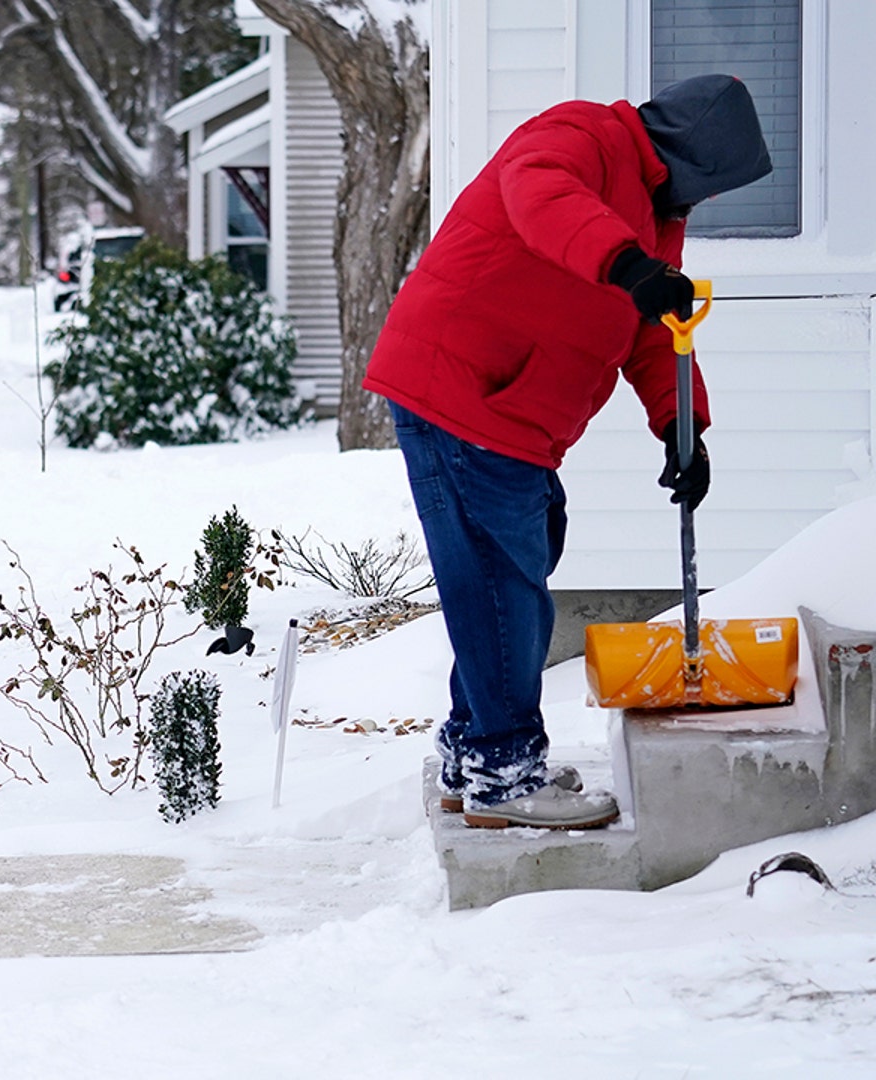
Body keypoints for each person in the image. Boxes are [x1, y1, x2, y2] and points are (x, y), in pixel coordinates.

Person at [363, 75, 773, 830]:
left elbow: (654, 329)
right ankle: (502, 770)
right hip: (464, 391)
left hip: (512, 414)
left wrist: (683, 426)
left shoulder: (657, 217)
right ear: (693, 158)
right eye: (716, 185)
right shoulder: (581, 136)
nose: (709, 202)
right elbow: (540, 195)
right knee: (502, 583)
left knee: (518, 564)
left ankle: (474, 748)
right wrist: (624, 263)